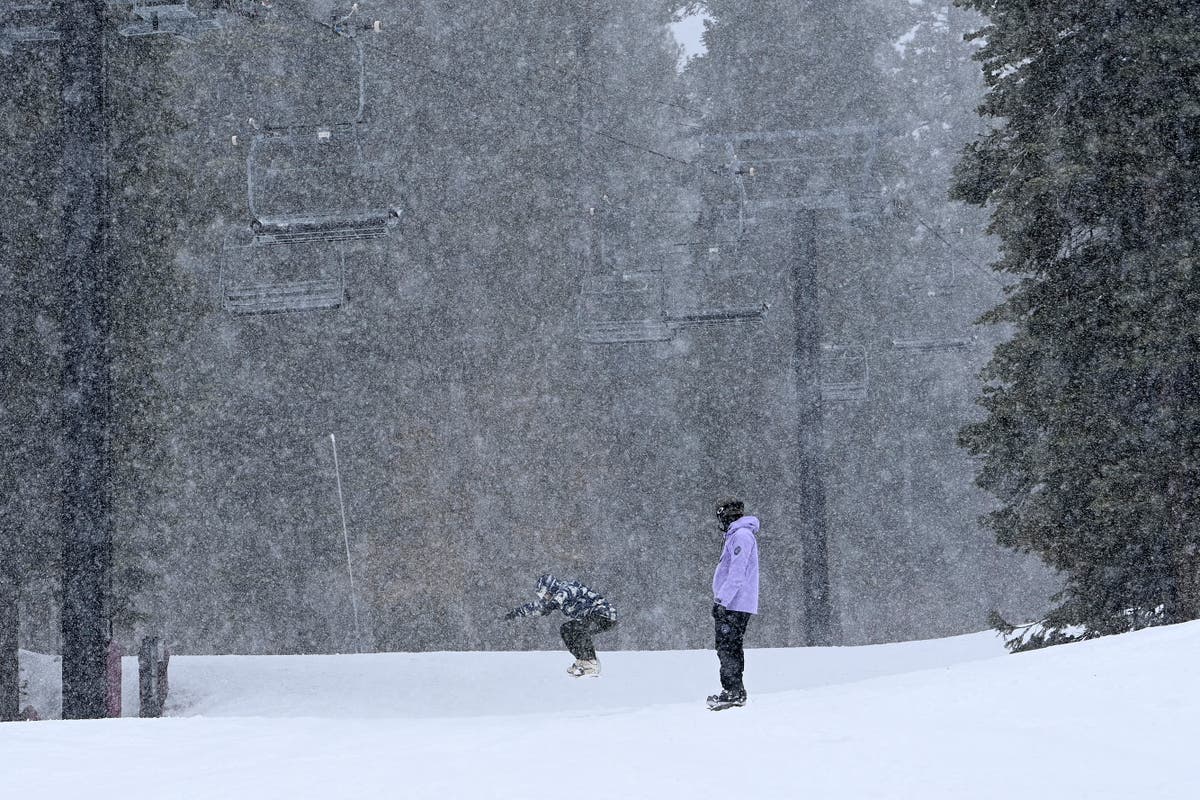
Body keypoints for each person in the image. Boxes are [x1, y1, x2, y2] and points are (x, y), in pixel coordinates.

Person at [502, 573, 619, 677]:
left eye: (545, 594)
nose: (544, 597)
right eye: (542, 595)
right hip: (591, 618)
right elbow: (536, 607)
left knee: (577, 628)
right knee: (566, 629)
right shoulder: (555, 598)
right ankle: (583, 659)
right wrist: (514, 613)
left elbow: (565, 594)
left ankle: (590, 661)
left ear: (551, 588)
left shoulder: (568, 587)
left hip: (604, 615)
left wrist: (553, 603)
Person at [707, 498, 759, 710]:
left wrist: (722, 600)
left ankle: (732, 691)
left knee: (727, 646)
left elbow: (737, 572)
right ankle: (735, 690)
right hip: (735, 602)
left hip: (734, 603)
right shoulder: (737, 536)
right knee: (730, 646)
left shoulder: (741, 536)